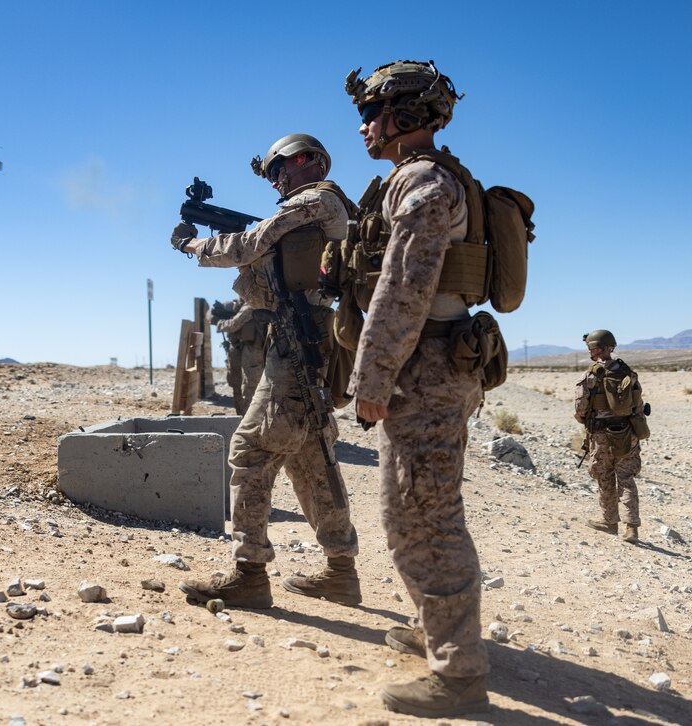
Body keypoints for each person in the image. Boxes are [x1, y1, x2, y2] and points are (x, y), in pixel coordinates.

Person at [343, 60, 493, 717]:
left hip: (426, 366)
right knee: (408, 512)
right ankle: (438, 632)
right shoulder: (417, 178)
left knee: (428, 516)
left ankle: (458, 673)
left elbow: (403, 289)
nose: (362, 127)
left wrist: (372, 377)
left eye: (370, 113)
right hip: (429, 364)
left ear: (406, 116)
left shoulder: (425, 183)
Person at [171, 134, 362, 609]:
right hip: (307, 335)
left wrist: (193, 244)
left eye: (282, 169)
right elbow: (266, 262)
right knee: (311, 457)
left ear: (309, 161)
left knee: (251, 449)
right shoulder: (327, 208)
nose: (276, 180)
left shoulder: (317, 200)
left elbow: (250, 243)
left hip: (299, 339)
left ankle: (249, 574)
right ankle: (341, 572)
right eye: (273, 173)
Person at [575, 329, 648, 544]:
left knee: (605, 477)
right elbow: (638, 405)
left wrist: (588, 421)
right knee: (626, 478)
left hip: (601, 435)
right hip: (627, 433)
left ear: (595, 349)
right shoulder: (628, 373)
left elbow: (580, 409)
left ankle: (609, 522)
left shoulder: (590, 376)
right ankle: (631, 528)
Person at [212, 297, 268, 415]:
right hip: (243, 351)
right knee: (237, 385)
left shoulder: (251, 305)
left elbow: (233, 325)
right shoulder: (241, 304)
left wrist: (219, 322)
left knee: (250, 388)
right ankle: (242, 417)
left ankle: (250, 419)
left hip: (253, 352)